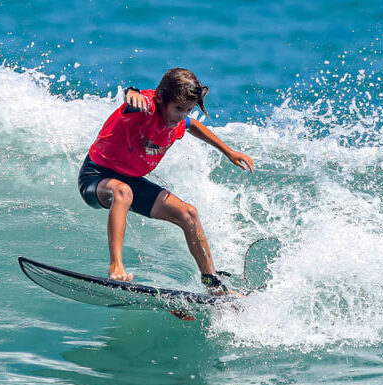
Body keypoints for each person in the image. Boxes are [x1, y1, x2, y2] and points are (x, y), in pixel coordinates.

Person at [78, 67, 254, 293]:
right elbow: (133, 100)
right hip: (96, 177)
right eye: (179, 109)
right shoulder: (145, 108)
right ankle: (116, 268)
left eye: (188, 110)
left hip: (131, 181)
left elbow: (193, 126)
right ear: (161, 99)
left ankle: (212, 284)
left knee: (188, 213)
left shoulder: (177, 120)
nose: (182, 115)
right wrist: (132, 93)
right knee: (123, 192)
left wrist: (229, 152)